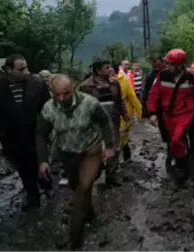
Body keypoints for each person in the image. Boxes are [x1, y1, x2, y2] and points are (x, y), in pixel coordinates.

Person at [36, 74, 115, 249]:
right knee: (75, 186)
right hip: (66, 153)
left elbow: (105, 122)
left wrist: (109, 146)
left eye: (66, 93)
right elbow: (41, 135)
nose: (62, 98)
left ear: (73, 89)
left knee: (83, 188)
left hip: (90, 151)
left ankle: (75, 236)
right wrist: (43, 161)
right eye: (57, 94)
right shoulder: (48, 109)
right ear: (51, 92)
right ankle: (90, 214)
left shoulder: (89, 103)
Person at [0, 54, 50, 211]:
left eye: (27, 67)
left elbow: (48, 107)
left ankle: (45, 183)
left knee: (39, 160)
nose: (26, 71)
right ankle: (32, 195)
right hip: (11, 136)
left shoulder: (37, 83)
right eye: (21, 69)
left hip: (35, 132)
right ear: (9, 70)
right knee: (23, 166)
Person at [147, 49, 194, 185]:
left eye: (171, 64)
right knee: (173, 141)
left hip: (184, 113)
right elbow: (153, 94)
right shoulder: (162, 76)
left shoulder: (190, 77)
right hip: (168, 115)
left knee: (176, 140)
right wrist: (152, 112)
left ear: (179, 65)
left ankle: (183, 169)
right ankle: (182, 162)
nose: (168, 66)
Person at [79, 59, 128, 187]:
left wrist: (125, 114)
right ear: (98, 71)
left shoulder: (114, 83)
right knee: (97, 149)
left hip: (113, 120)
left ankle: (111, 176)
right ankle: (97, 168)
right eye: (107, 67)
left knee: (115, 148)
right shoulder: (85, 86)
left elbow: (119, 101)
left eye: (110, 67)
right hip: (95, 124)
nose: (111, 69)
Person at [112, 63, 142, 163]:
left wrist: (139, 112)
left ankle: (120, 158)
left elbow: (132, 97)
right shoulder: (100, 82)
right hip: (109, 114)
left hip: (123, 113)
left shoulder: (124, 80)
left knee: (121, 136)